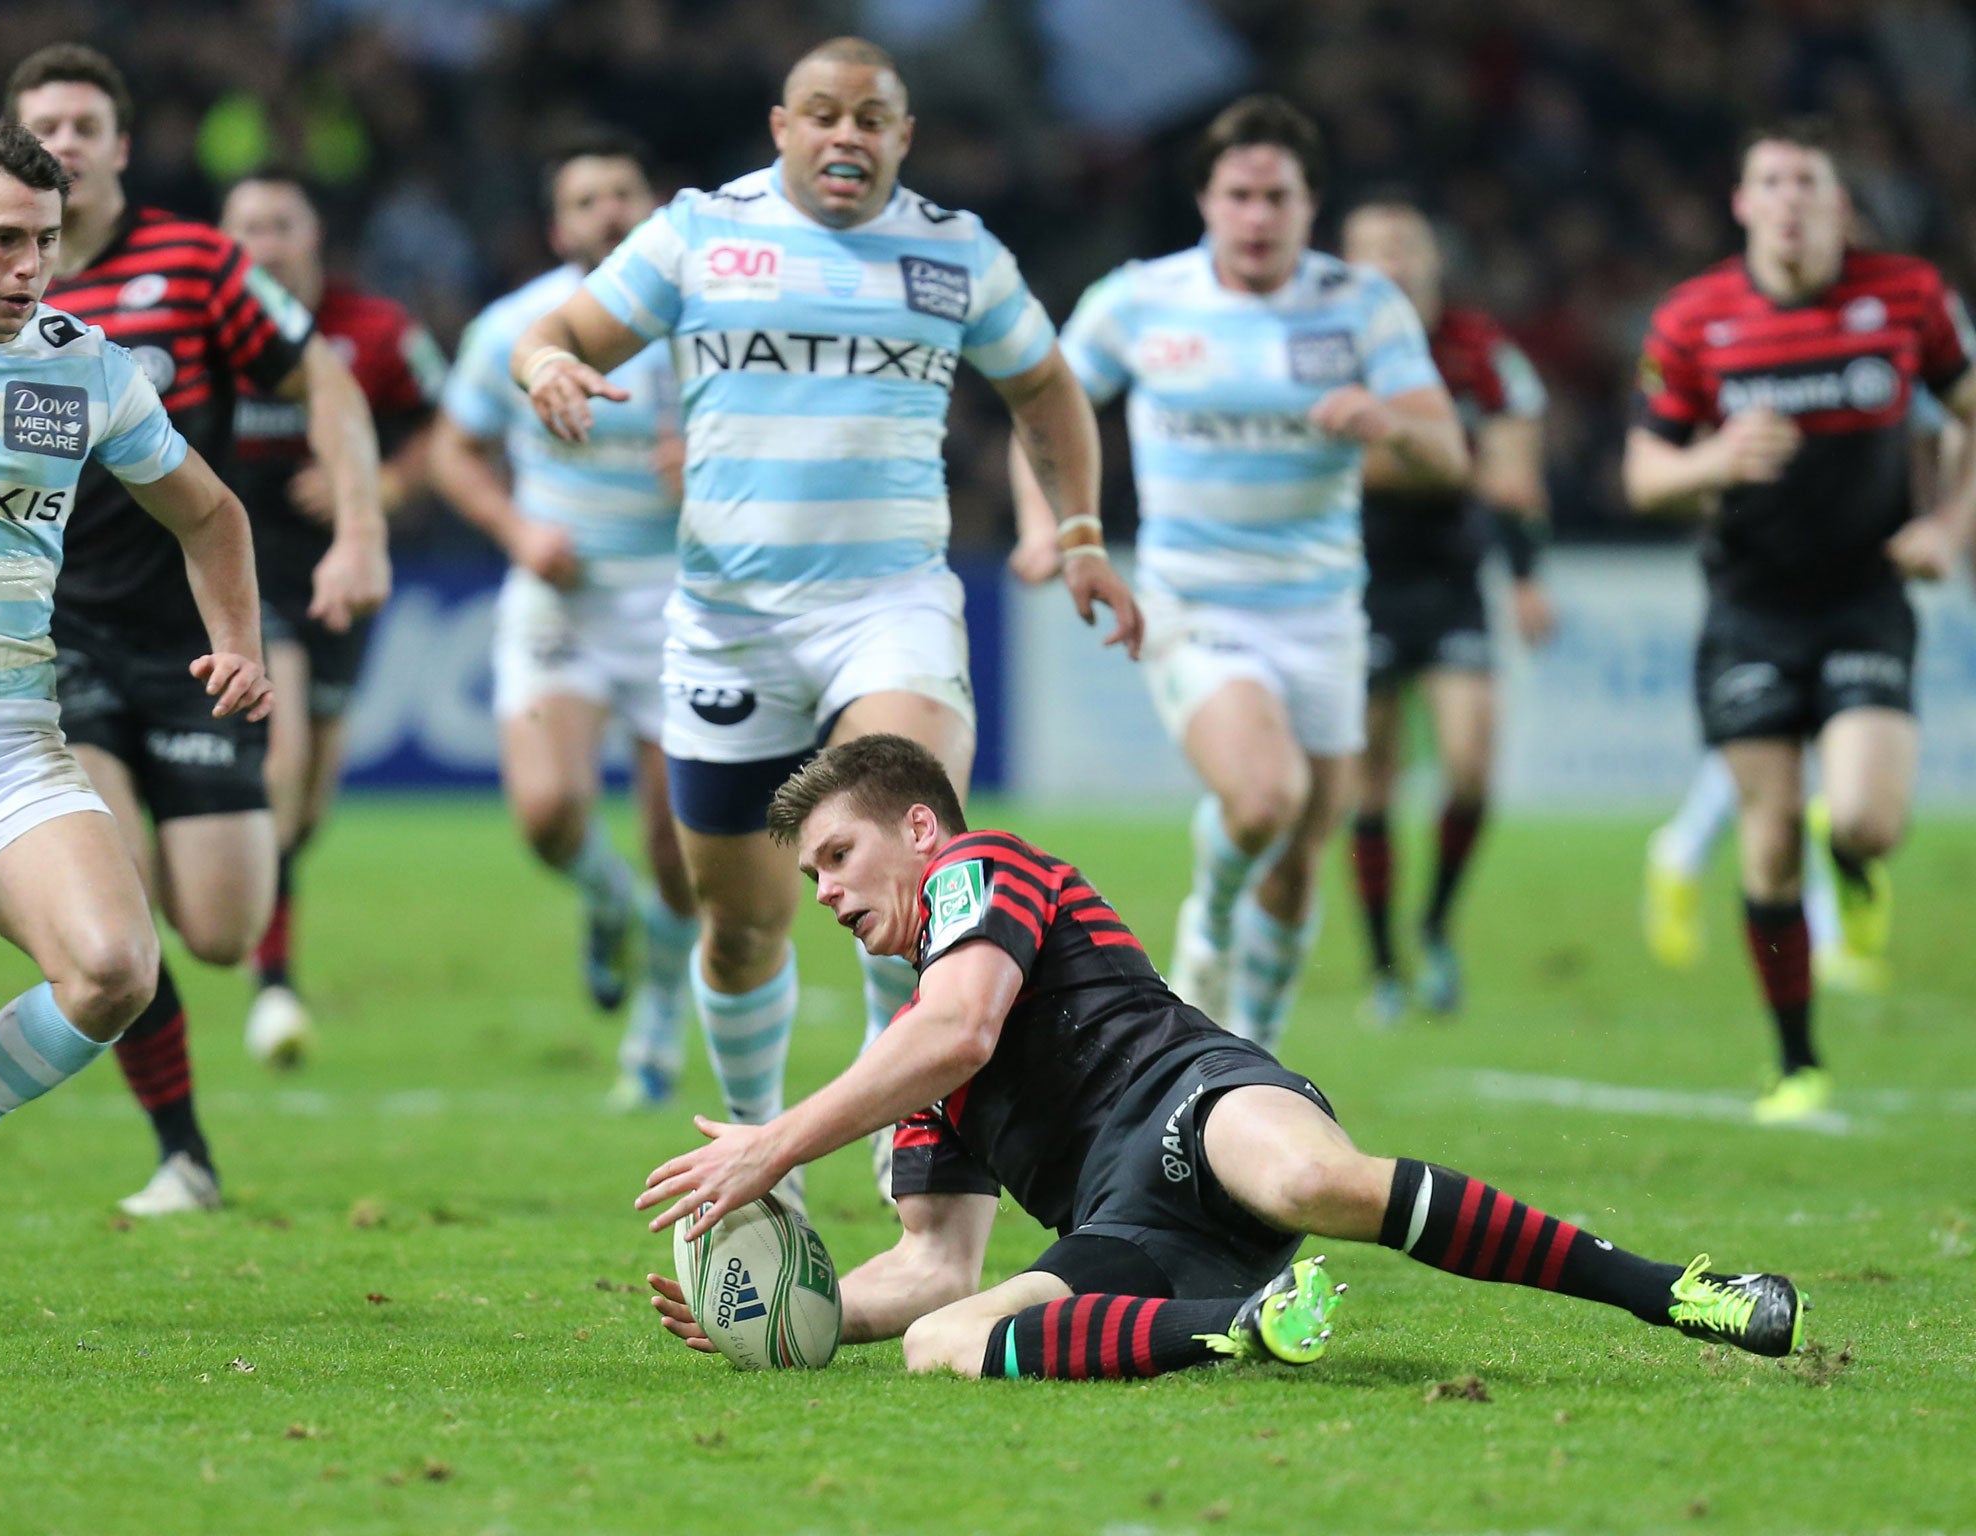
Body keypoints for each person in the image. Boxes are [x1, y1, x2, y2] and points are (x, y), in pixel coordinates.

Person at [635, 735, 1807, 1379]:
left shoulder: (978, 871)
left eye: (839, 857)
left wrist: (775, 1142)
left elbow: (966, 1028)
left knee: (1313, 1182)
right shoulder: (903, 1068)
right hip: (1130, 1231)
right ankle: (1237, 1325)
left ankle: (1681, 1294)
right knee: (945, 1344)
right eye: (812, 879)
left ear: (921, 830)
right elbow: (934, 1268)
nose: (828, 892)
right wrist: (792, 1310)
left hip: (1195, 1101)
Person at [511, 39, 1139, 1176]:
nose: (845, 134)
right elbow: (554, 332)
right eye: (822, 113)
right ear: (781, 126)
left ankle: (899, 1129)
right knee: (743, 925)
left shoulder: (954, 255)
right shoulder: (700, 233)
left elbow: (1044, 385)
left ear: (902, 137)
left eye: (870, 118)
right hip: (729, 622)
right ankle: (761, 1152)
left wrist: (1081, 532)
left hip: (886, 604)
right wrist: (546, 369)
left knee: (911, 869)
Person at [10, 44, 387, 1215]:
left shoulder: (200, 261)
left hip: (198, 635)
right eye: (43, 129)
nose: (63, 145)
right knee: (110, 899)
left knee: (218, 929)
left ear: (123, 146)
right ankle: (184, 1153)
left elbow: (324, 380)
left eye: (84, 125)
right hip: (52, 632)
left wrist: (360, 532)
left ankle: (196, 1107)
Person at [1012, 98, 1466, 1049]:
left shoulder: (1361, 305)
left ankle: (1248, 1048)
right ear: (1206, 202)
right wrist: (1049, 526)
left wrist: (1390, 426)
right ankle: (1210, 919)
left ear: (1310, 207)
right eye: (1240, 196)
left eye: (1278, 197)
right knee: (1264, 797)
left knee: (1302, 856)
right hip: (1191, 602)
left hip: (1324, 613)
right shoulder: (1142, 299)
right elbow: (1046, 407)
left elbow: (1448, 454)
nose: (1258, 217)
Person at [0, 107, 273, 1308]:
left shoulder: (82, 368)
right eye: (4, 241)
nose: (30, 268)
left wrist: (237, 640)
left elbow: (211, 513)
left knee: (117, 971)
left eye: (48, 243)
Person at [1625, 118, 1976, 1124]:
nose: (1786, 198)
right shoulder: (1692, 319)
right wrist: (1711, 460)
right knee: (1768, 840)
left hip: (1863, 595)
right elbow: (1642, 474)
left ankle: (1858, 870)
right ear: (1742, 203)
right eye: (1768, 181)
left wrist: (1947, 524)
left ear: (1834, 200)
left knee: (1864, 818)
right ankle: (1794, 1062)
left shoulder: (1905, 297)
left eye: (1805, 181)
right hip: (1747, 610)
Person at [430, 128, 699, 1109]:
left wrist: (707, 470)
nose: (609, 213)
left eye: (623, 192)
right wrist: (514, 526)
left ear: (653, 205)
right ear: (558, 225)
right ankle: (601, 896)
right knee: (546, 816)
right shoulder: (514, 324)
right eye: (587, 200)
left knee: (681, 848)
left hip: (679, 601)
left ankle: (656, 1033)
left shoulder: (704, 323)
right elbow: (453, 450)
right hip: (561, 598)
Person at [221, 168, 445, 1066]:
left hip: (341, 575)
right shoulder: (204, 329)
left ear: (315, 239)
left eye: (281, 223)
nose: (264, 243)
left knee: (306, 809)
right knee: (278, 765)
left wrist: (382, 487)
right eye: (246, 227)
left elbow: (445, 425)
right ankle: (272, 987)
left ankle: (236, 893)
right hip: (241, 570)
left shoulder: (379, 332)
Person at [1643, 386, 1957, 996]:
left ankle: (1685, 847)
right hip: (1761, 590)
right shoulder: (1730, 336)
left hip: (1859, 589)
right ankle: (1821, 935)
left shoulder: (1900, 324)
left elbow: (1943, 424)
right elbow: (1665, 464)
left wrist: (1938, 518)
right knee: (1781, 789)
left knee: (1833, 795)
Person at [1338, 200, 1555, 1025]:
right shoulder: (1328, 345)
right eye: (1373, 248)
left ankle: (1432, 927)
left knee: (1470, 766)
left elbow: (1516, 476)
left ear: (1434, 260)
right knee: (1373, 779)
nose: (1391, 261)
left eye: (1405, 245)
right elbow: (1364, 472)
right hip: (1358, 580)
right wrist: (1453, 459)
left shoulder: (1481, 352)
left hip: (1455, 580)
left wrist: (1527, 573)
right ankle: (1385, 963)